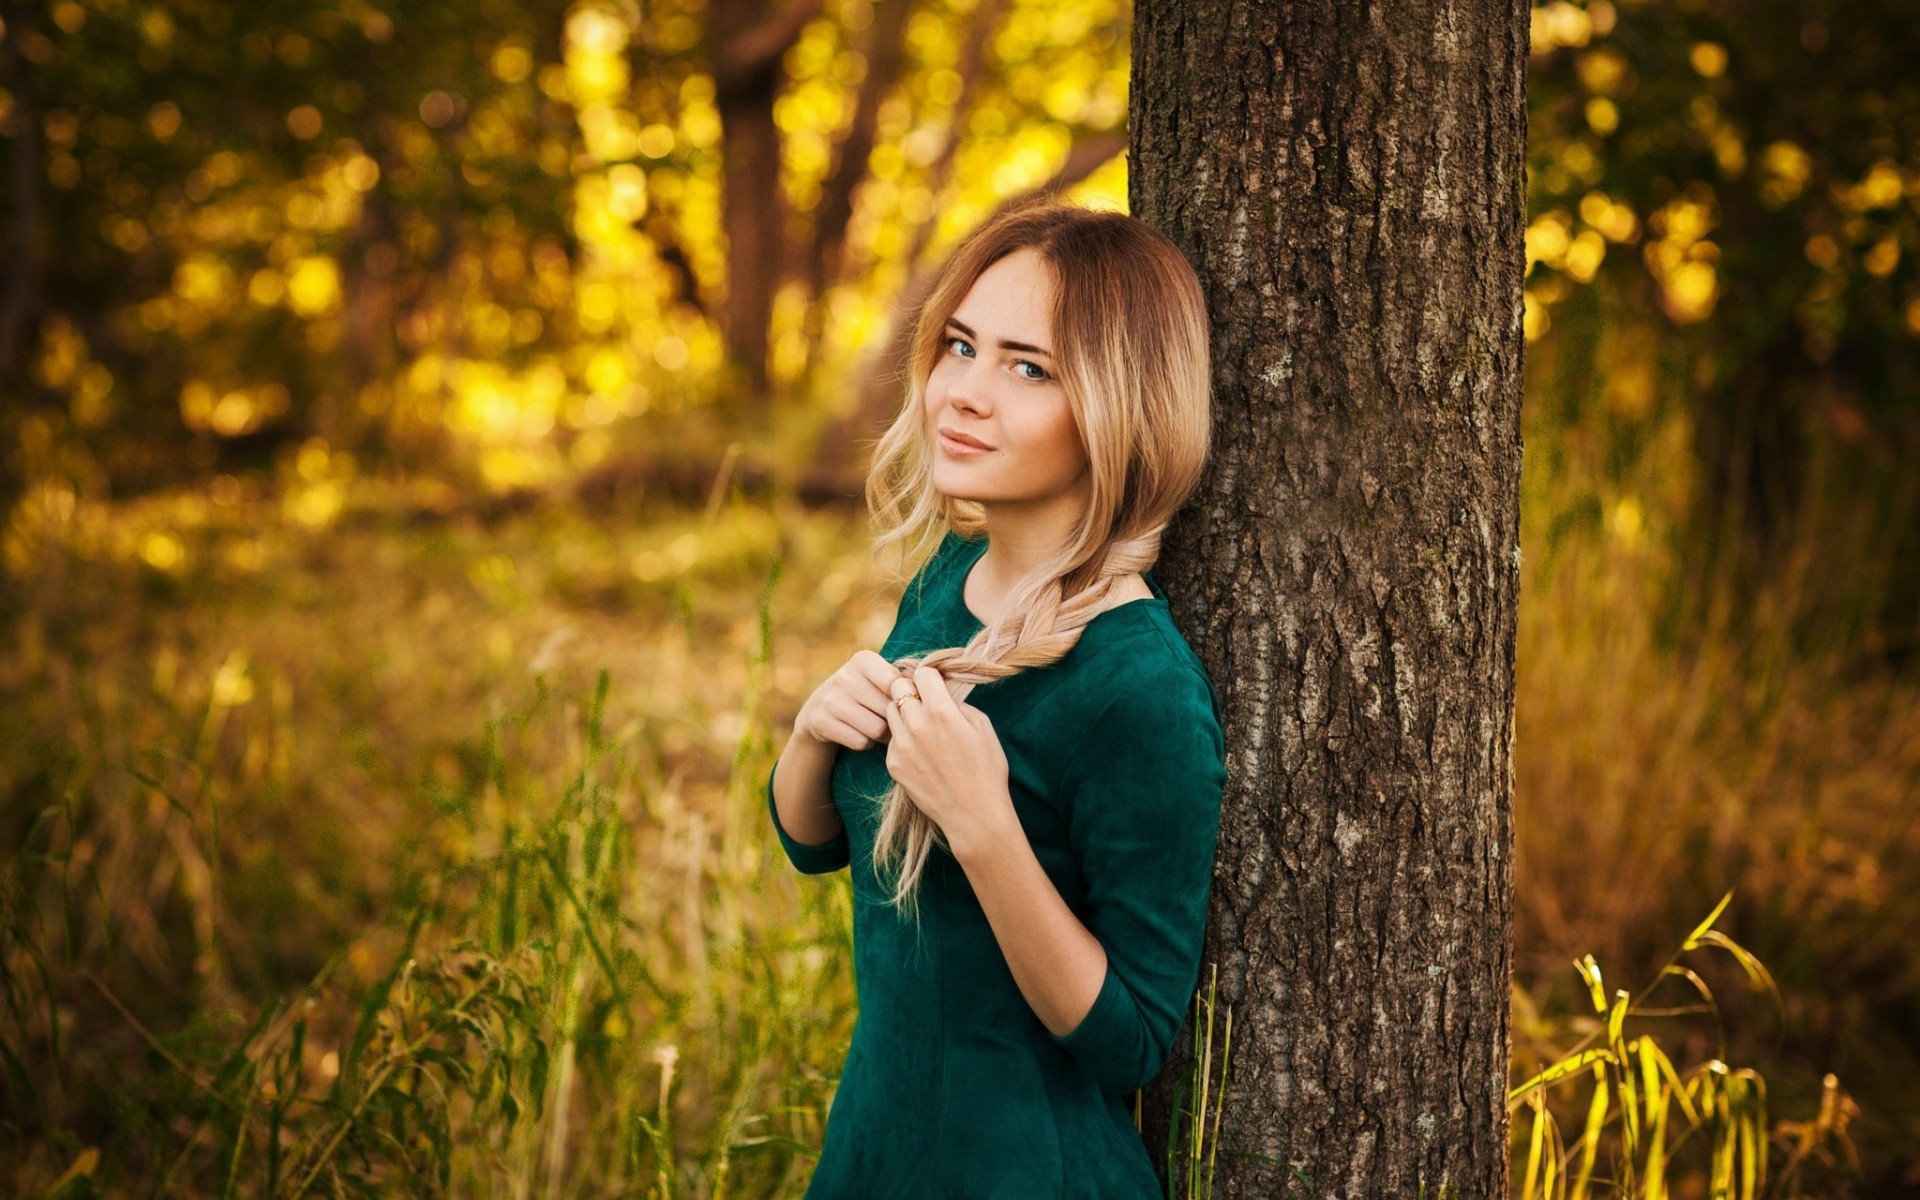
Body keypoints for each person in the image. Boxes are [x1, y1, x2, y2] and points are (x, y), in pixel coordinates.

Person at [765, 195, 1228, 1199]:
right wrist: (811, 734)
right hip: (876, 1153)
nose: (966, 393)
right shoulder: (946, 577)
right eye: (961, 346)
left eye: (1030, 368)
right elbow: (818, 845)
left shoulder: (1138, 686)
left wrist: (986, 829)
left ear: (1119, 403)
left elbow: (1135, 1040)